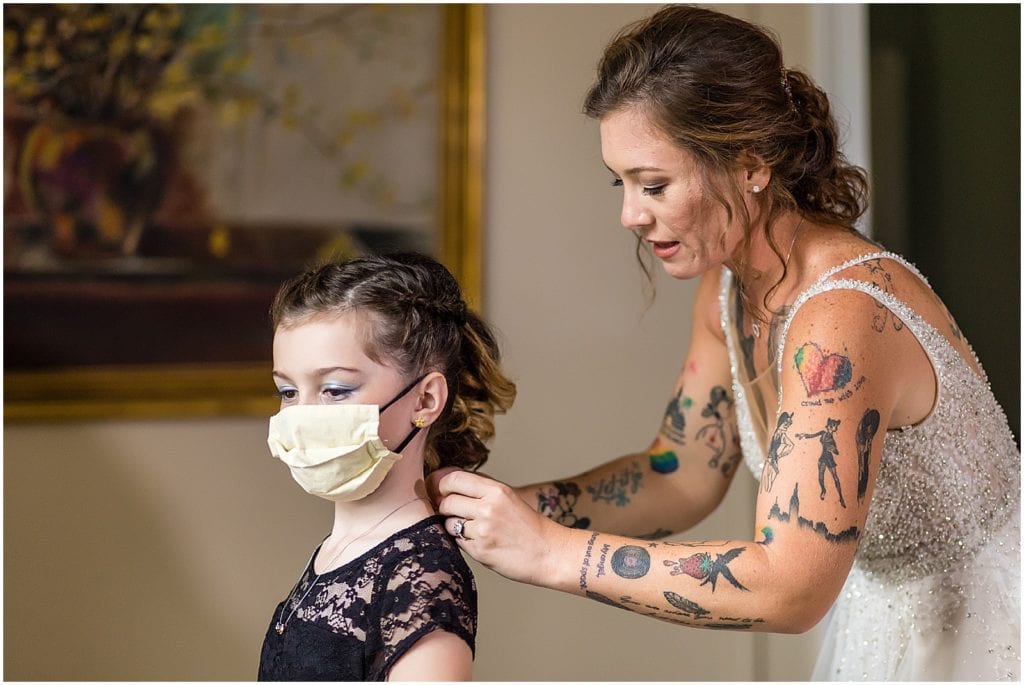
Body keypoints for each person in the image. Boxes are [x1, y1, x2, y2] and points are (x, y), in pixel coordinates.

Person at [428, 5, 1020, 681]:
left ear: (750, 166)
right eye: (620, 184)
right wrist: (498, 511)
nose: (629, 215)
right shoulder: (726, 289)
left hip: (990, 632)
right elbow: (679, 472)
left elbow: (791, 586)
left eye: (653, 185)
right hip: (885, 623)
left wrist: (554, 553)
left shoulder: (843, 318)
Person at [258, 253, 516, 681]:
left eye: (335, 390)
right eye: (287, 390)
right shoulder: (337, 550)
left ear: (426, 400)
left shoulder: (420, 574)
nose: (302, 414)